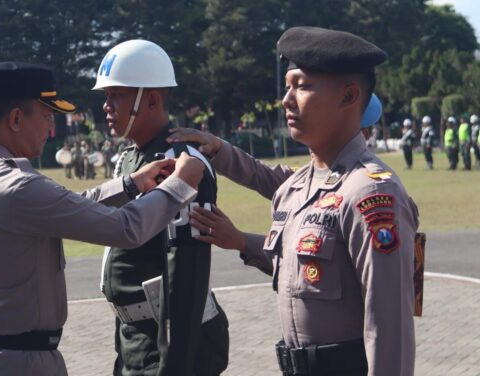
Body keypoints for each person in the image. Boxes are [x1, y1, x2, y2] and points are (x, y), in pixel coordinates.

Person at [170, 27, 419, 376]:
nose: (287, 99)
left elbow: (390, 329)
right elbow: (298, 267)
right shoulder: (302, 184)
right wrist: (220, 153)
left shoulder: (372, 194)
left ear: (348, 96)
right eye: (287, 86)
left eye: (301, 86)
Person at [0, 61, 205, 375]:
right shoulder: (16, 186)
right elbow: (126, 229)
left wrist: (129, 184)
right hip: (15, 361)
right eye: (47, 115)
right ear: (15, 118)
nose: (51, 128)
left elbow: (63, 207)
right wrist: (180, 185)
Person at [93, 39, 229, 376]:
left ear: (151, 99)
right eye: (106, 97)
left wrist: (173, 366)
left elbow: (184, 277)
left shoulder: (180, 162)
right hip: (135, 339)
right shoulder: (130, 159)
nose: (107, 106)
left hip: (173, 344)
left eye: (116, 95)